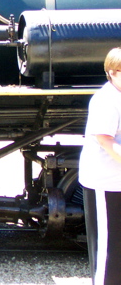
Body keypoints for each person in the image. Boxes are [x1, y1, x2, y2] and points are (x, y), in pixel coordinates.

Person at [80, 46, 121, 285]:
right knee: (109, 252)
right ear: (112, 72)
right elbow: (106, 141)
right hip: (107, 184)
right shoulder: (106, 100)